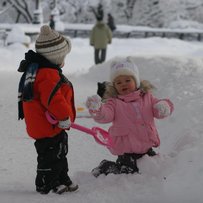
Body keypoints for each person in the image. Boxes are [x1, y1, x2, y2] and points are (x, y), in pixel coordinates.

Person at [86, 57, 174, 177]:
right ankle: (105, 167)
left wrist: (163, 107)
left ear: (136, 81)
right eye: (119, 82)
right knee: (128, 173)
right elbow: (106, 115)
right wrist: (98, 110)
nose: (123, 84)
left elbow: (157, 108)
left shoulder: (147, 97)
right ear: (114, 86)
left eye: (127, 80)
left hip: (147, 149)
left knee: (156, 167)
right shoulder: (114, 102)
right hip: (127, 151)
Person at [17, 25, 78, 194]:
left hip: (51, 125)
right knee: (50, 156)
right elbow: (53, 99)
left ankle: (61, 177)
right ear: (55, 58)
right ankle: (46, 183)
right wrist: (64, 116)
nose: (64, 60)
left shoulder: (41, 70)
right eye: (63, 57)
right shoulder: (47, 74)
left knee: (59, 153)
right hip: (47, 126)